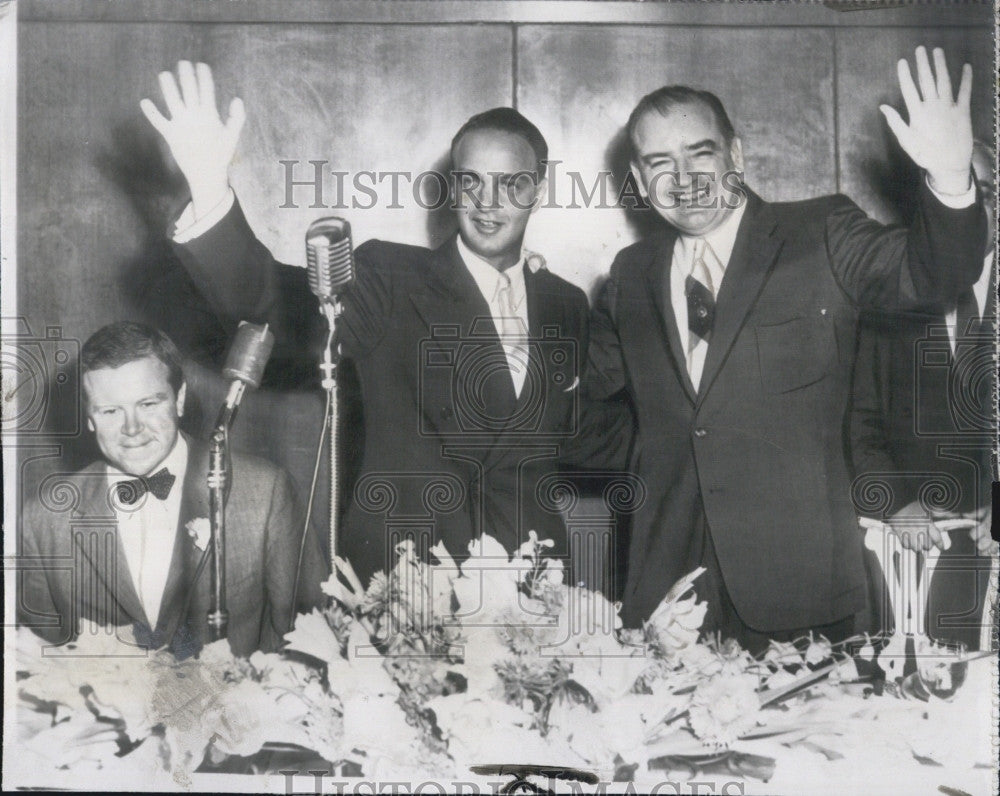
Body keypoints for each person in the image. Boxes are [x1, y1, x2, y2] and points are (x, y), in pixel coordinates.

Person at [577, 47, 986, 650]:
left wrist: (951, 182)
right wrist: (533, 313)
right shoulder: (631, 272)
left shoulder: (821, 232)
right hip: (666, 599)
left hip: (804, 597)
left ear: (737, 155)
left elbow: (931, 273)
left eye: (701, 153)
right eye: (658, 163)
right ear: (639, 182)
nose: (683, 180)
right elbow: (589, 417)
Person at [139, 62, 591, 583]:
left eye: (510, 184)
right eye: (471, 182)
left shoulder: (566, 304)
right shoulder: (391, 278)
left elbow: (592, 433)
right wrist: (209, 187)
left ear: (539, 186)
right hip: (406, 585)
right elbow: (272, 301)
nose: (487, 203)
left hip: (533, 585)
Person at [17, 322, 327, 657]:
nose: (132, 429)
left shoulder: (266, 492)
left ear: (179, 400)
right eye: (110, 411)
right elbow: (36, 661)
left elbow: (315, 639)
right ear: (89, 418)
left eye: (148, 404)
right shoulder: (45, 518)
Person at [850, 141, 997, 651]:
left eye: (977, 190)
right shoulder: (889, 296)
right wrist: (894, 501)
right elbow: (861, 419)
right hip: (913, 551)